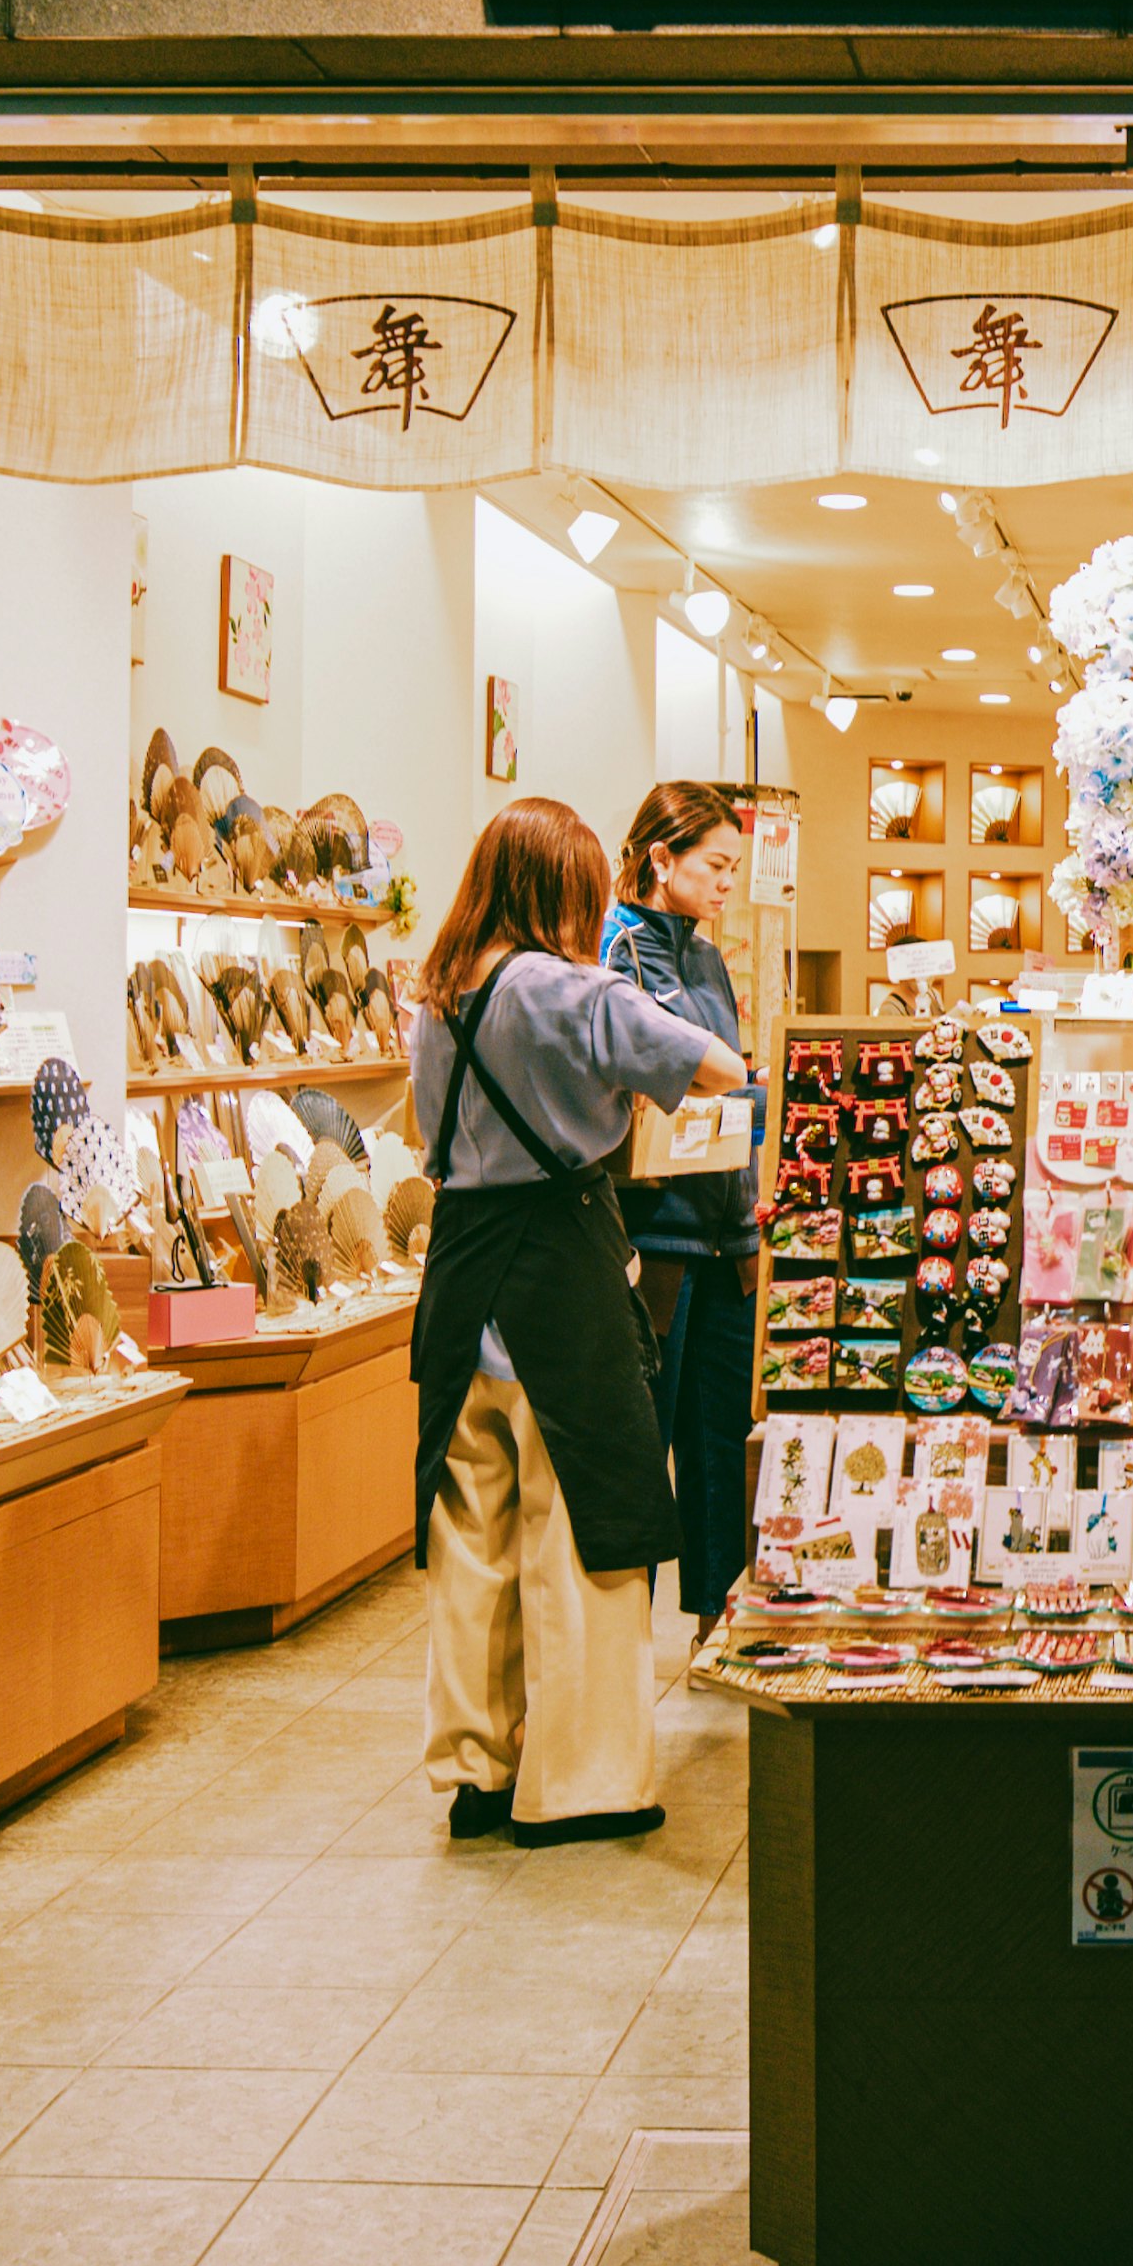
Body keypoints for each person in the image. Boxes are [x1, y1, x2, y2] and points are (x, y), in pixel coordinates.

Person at [402, 794, 745, 1847]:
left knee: (471, 1540)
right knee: (583, 1531)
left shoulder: (438, 994)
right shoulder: (577, 991)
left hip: (459, 1284)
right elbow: (719, 1070)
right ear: (570, 888)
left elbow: (428, 1135)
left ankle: (477, 1769)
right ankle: (580, 1780)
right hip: (561, 1276)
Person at [602, 781, 760, 1624]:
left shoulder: (700, 950)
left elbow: (721, 1072)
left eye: (736, 866)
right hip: (659, 1235)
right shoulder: (621, 947)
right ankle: (624, 1643)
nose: (729, 882)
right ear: (661, 858)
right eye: (716, 864)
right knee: (645, 1446)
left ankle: (716, 1623)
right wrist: (745, 1087)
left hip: (727, 1226)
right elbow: (700, 1065)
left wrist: (738, 1087)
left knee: (721, 1448)